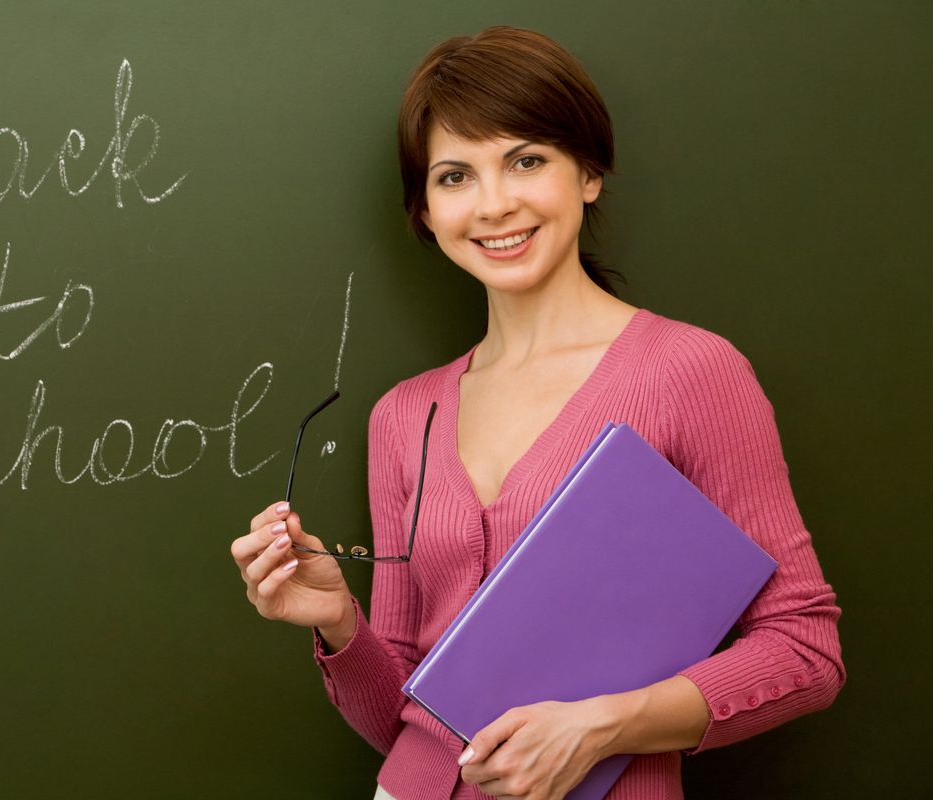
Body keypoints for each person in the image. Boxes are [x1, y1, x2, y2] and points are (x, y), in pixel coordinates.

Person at [230, 26, 844, 800]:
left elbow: (805, 650)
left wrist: (603, 726)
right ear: (424, 208)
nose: (494, 205)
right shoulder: (402, 416)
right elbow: (404, 723)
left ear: (588, 172)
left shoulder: (691, 373)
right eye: (455, 176)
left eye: (526, 160)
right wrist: (339, 625)